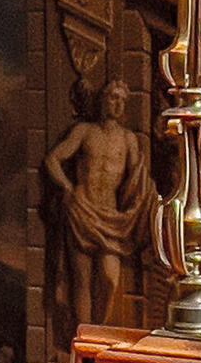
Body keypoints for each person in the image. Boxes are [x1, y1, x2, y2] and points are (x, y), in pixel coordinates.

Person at [43, 81, 151, 338]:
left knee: (109, 278)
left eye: (121, 100)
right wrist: (68, 187)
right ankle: (87, 339)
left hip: (111, 216)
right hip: (81, 209)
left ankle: (100, 328)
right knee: (81, 281)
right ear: (102, 100)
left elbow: (136, 180)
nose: (116, 103)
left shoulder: (128, 139)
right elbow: (53, 159)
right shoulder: (84, 131)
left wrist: (141, 198)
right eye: (112, 98)